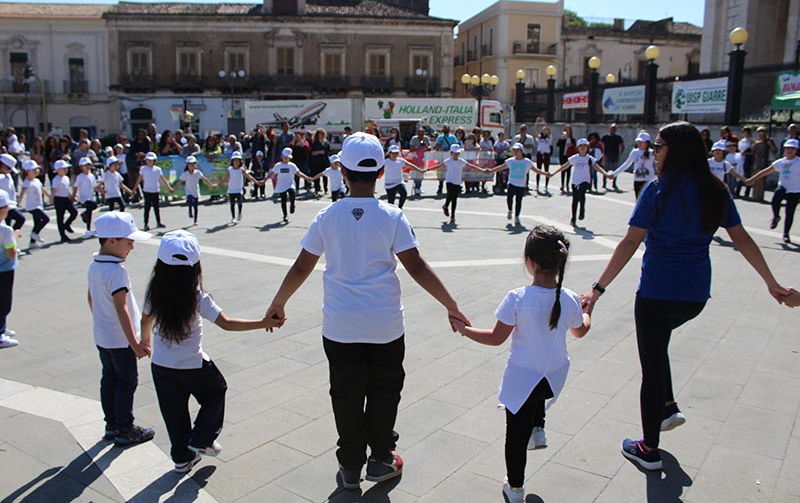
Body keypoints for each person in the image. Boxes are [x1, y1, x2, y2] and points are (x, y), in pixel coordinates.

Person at [263, 132, 470, 491]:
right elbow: (417, 266)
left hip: (340, 326)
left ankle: (348, 467)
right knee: (385, 390)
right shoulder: (392, 215)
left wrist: (278, 303)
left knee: (344, 393)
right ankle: (381, 459)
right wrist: (451, 305)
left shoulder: (327, 216)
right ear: (379, 173)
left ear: (341, 169)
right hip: (384, 325)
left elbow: (301, 266)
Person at [580, 121, 790, 472]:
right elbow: (741, 239)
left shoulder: (657, 190)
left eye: (659, 146)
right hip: (694, 297)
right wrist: (771, 283)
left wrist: (597, 290)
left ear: (673, 150)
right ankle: (668, 407)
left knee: (651, 363)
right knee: (658, 347)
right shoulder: (715, 189)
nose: (655, 152)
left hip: (657, 294)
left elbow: (631, 242)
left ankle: (648, 448)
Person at [452, 226, 590, 503]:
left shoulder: (517, 298)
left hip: (523, 380)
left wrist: (464, 329)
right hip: (553, 378)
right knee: (538, 388)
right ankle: (538, 428)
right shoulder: (570, 298)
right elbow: (580, 330)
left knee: (515, 436)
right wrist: (587, 312)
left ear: (531, 262)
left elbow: (495, 338)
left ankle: (515, 488)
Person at [140, 230, 281, 473]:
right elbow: (226, 323)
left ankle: (182, 459)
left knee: (174, 413)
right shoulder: (196, 297)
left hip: (161, 365)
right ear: (196, 266)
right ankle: (202, 439)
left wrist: (145, 341)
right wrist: (264, 322)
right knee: (216, 390)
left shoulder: (155, 290)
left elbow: (145, 319)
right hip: (192, 365)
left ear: (161, 264)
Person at [88, 212, 156, 447]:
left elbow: (91, 298)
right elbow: (122, 308)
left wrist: (100, 321)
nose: (132, 247)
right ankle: (125, 428)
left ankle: (111, 424)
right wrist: (134, 343)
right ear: (111, 240)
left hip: (103, 337)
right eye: (129, 242)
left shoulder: (94, 265)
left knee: (109, 379)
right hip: (121, 341)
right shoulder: (117, 272)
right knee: (127, 382)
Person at [745, 138, 800, 243]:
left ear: (796, 150)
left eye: (792, 148)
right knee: (775, 200)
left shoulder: (798, 162)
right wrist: (752, 179)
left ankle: (786, 234)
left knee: (790, 212)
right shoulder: (781, 162)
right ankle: (776, 217)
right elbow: (766, 171)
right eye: (788, 148)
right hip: (783, 187)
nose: (790, 150)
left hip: (795, 190)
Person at [548, 139, 613, 225]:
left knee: (582, 194)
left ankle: (582, 209)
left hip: (585, 180)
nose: (582, 148)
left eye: (584, 146)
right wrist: (554, 173)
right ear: (578, 148)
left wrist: (606, 174)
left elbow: (598, 167)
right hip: (575, 181)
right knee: (575, 199)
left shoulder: (589, 158)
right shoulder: (574, 158)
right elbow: (565, 166)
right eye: (581, 146)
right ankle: (573, 217)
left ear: (587, 148)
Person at [484, 144, 549, 225]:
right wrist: (491, 170)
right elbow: (501, 167)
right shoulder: (510, 161)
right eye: (514, 150)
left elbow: (536, 170)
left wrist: (545, 173)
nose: (515, 152)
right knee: (509, 197)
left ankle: (517, 216)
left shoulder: (527, 162)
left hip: (521, 184)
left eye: (517, 150)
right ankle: (510, 209)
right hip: (512, 182)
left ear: (521, 151)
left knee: (518, 201)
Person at [425, 145, 486, 224]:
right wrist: (428, 169)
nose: (456, 155)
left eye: (458, 153)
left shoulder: (461, 161)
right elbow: (439, 166)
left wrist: (482, 170)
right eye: (455, 153)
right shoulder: (448, 160)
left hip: (457, 181)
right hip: (449, 180)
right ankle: (446, 206)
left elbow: (471, 166)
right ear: (451, 153)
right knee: (450, 194)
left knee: (454, 199)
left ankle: (452, 214)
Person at [266, 147, 313, 223]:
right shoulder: (278, 165)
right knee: (283, 200)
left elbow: (298, 173)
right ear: (282, 156)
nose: (286, 159)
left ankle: (292, 204)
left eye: (287, 158)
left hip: (290, 184)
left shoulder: (292, 165)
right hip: (281, 185)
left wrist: (307, 178)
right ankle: (285, 215)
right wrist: (264, 180)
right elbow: (272, 174)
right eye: (285, 157)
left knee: (292, 193)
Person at [133, 152, 173, 231]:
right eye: (148, 160)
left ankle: (158, 222)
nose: (149, 162)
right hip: (147, 191)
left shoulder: (157, 169)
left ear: (154, 161)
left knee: (156, 207)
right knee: (147, 208)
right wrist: (134, 188)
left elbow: (162, 179)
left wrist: (169, 187)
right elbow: (139, 179)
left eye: (151, 160)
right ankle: (146, 223)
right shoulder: (143, 169)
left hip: (155, 190)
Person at [0, 190, 19, 349]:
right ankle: (0, 334)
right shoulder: (6, 231)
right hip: (4, 270)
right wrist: (16, 239)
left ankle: (2, 327)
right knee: (4, 301)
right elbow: (10, 253)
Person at [613, 132, 657, 198]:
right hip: (638, 180)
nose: (639, 143)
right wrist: (614, 174)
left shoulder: (652, 153)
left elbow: (659, 163)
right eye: (638, 141)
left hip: (648, 180)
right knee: (639, 200)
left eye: (642, 142)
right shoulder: (635, 152)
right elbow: (626, 164)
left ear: (647, 143)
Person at [18, 160, 51, 248]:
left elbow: (42, 189)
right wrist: (19, 202)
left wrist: (49, 196)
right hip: (32, 206)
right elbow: (22, 193)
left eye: (37, 169)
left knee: (37, 223)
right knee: (45, 219)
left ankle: (32, 243)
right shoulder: (26, 182)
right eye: (33, 170)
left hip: (39, 204)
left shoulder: (37, 180)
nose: (36, 171)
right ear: (27, 171)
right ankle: (35, 233)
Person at [177, 156, 217, 226]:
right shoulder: (185, 174)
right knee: (190, 200)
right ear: (187, 165)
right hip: (189, 192)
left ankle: (195, 220)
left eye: (193, 164)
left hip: (195, 191)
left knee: (195, 206)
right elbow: (179, 182)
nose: (192, 166)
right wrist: (173, 189)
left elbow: (204, 179)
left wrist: (211, 185)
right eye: (190, 164)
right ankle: (190, 210)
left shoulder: (197, 172)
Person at [220, 152, 259, 224]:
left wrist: (256, 181)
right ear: (232, 161)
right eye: (235, 161)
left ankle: (240, 213)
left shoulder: (241, 169)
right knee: (232, 203)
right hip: (231, 189)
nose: (236, 163)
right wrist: (220, 184)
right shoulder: (230, 169)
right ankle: (233, 217)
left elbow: (248, 176)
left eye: (238, 161)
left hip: (238, 189)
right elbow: (225, 178)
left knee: (239, 202)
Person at [51, 159, 78, 243]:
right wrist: (51, 198)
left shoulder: (66, 178)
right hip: (59, 199)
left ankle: (67, 224)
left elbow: (67, 189)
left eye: (66, 168)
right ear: (58, 170)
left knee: (74, 212)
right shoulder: (56, 179)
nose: (66, 170)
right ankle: (63, 235)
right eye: (63, 168)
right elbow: (54, 190)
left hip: (66, 198)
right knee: (60, 218)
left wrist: (71, 197)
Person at [751, 126, 778, 201]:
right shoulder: (757, 142)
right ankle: (754, 195)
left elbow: (774, 150)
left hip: (764, 162)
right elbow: (753, 152)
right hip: (757, 161)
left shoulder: (769, 141)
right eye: (759, 132)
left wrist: (770, 144)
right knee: (755, 178)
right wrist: (754, 146)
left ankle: (759, 196)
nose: (761, 134)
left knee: (761, 179)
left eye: (762, 132)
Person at [73, 157, 99, 236]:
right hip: (84, 198)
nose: (87, 167)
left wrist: (101, 191)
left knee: (90, 212)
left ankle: (88, 229)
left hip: (90, 196)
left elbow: (94, 187)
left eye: (89, 165)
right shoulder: (80, 177)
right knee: (92, 206)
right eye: (85, 165)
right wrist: (74, 196)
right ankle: (84, 214)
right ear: (81, 167)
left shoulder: (91, 176)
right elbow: (76, 186)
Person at [0, 154, 25, 232]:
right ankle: (11, 237)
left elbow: (10, 187)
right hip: (3, 205)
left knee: (7, 226)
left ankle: (9, 239)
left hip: (11, 204)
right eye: (8, 168)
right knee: (20, 219)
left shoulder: (7, 175)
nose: (10, 170)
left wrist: (15, 194)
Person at [432, 125, 459, 194]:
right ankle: (440, 186)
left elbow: (456, 145)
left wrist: (449, 148)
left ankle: (449, 187)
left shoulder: (452, 137)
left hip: (450, 156)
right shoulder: (440, 137)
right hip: (441, 156)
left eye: (447, 128)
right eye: (444, 128)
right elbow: (436, 147)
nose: (446, 129)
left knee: (450, 171)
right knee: (441, 172)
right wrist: (440, 144)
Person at [601, 124, 625, 190]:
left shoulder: (618, 137)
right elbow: (601, 145)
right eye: (612, 128)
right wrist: (602, 154)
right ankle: (604, 183)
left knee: (615, 171)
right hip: (607, 155)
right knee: (605, 170)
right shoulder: (605, 137)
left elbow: (622, 145)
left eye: (614, 129)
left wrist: (620, 153)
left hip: (615, 156)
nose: (613, 130)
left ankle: (614, 183)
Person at [408, 127, 430, 196]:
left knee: (421, 173)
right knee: (415, 173)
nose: (421, 136)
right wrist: (418, 147)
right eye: (419, 134)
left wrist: (425, 146)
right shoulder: (414, 139)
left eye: (422, 134)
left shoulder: (426, 138)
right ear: (417, 134)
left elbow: (429, 148)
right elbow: (411, 148)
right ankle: (417, 187)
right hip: (415, 159)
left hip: (423, 159)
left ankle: (418, 187)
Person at [309, 129, 332, 196]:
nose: (321, 135)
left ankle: (326, 189)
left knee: (325, 175)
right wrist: (319, 152)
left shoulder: (326, 142)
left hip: (325, 161)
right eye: (320, 133)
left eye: (322, 133)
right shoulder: (315, 143)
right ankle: (317, 189)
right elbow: (312, 153)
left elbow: (329, 150)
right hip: (317, 161)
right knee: (317, 175)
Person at [556, 126, 577, 194]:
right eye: (566, 130)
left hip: (570, 156)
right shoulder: (563, 138)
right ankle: (562, 184)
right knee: (563, 169)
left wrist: (572, 145)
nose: (567, 132)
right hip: (563, 155)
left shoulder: (572, 139)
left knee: (568, 171)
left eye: (569, 130)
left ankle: (567, 184)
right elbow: (557, 144)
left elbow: (575, 147)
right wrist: (561, 139)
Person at [534, 125, 553, 194]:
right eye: (543, 130)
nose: (545, 131)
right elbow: (535, 132)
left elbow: (550, 134)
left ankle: (546, 185)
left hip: (546, 154)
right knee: (538, 169)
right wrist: (536, 124)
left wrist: (545, 124)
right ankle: (537, 185)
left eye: (546, 130)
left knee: (546, 169)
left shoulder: (549, 138)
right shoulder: (540, 137)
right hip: (540, 154)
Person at [738, 126, 755, 197]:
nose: (743, 133)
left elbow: (752, 152)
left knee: (747, 175)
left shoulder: (752, 141)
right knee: (739, 174)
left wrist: (745, 153)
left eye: (744, 131)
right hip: (740, 158)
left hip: (747, 159)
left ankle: (747, 192)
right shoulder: (741, 141)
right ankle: (737, 191)